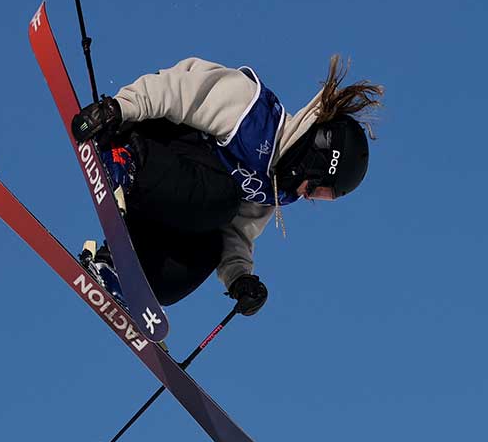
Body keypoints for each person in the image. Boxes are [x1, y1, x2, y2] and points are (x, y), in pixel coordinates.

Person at [72, 55, 383, 316]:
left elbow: (235, 233)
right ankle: (126, 159)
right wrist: (119, 108)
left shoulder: (272, 189)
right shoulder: (252, 114)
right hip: (144, 149)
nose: (309, 196)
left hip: (164, 201)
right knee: (221, 200)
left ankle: (116, 271)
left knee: (204, 252)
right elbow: (177, 89)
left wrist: (239, 278)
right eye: (316, 189)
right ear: (315, 161)